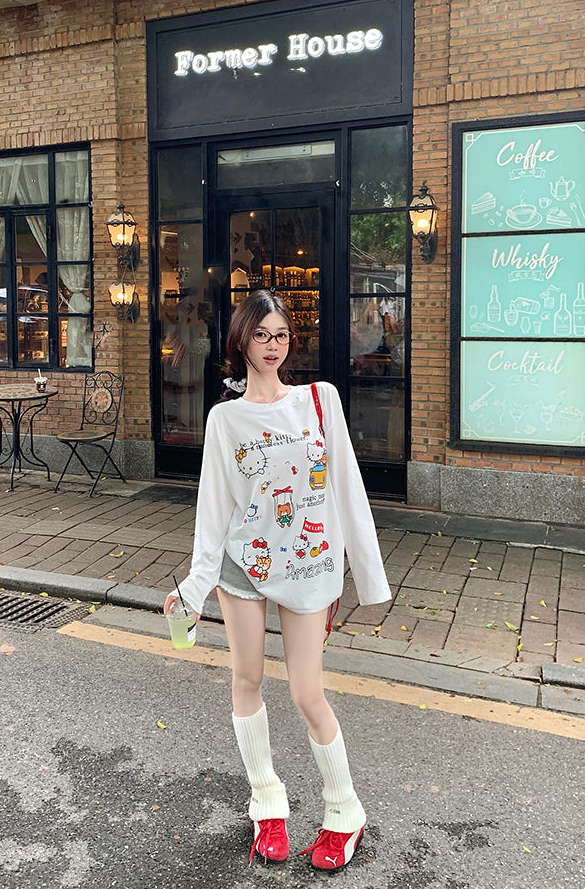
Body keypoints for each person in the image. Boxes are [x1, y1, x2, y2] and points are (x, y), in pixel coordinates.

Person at [164, 289, 391, 871]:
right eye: (261, 335)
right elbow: (214, 509)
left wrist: (368, 577)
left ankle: (345, 809)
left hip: (310, 566)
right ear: (241, 341)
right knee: (247, 679)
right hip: (244, 565)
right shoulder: (225, 418)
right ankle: (267, 801)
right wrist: (193, 586)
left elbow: (348, 488)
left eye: (281, 335)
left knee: (307, 693)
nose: (272, 345)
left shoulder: (320, 400)